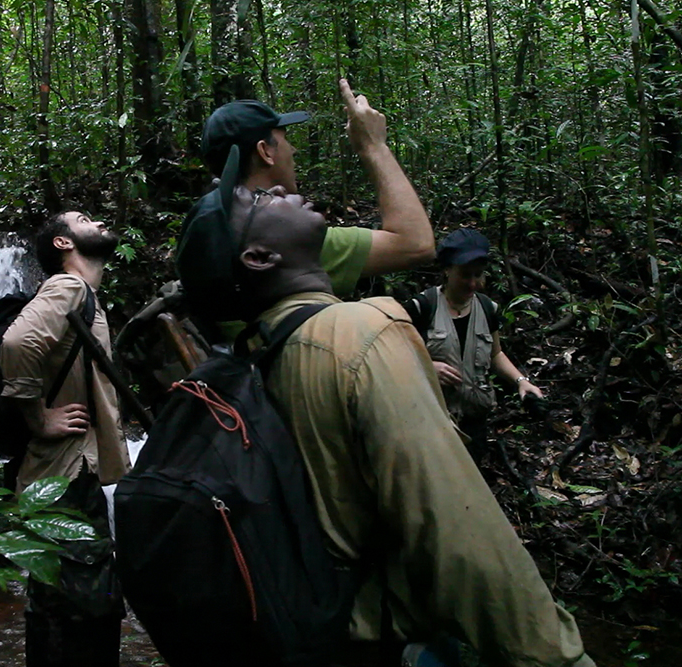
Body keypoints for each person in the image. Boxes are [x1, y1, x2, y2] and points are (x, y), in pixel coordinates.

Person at [175, 87, 594, 667]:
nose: (278, 195)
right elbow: (460, 537)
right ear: (261, 258)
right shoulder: (359, 335)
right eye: (260, 202)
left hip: (312, 618)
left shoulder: (250, 341)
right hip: (375, 629)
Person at [0, 210, 130, 667]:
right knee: (88, 606)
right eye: (84, 219)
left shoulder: (83, 294)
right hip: (67, 476)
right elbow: (17, 346)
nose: (97, 221)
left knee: (59, 600)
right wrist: (39, 418)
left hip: (67, 474)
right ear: (62, 243)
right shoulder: (68, 288)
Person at [194, 78, 434, 303]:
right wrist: (374, 146)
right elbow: (416, 244)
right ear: (265, 151)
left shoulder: (210, 234)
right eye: (286, 140)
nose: (294, 150)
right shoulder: (289, 242)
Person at [403, 228, 544, 464]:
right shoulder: (422, 307)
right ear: (447, 270)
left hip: (473, 420)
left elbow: (495, 353)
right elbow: (391, 355)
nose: (473, 284)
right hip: (429, 419)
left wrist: (522, 382)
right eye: (465, 275)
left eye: (478, 275)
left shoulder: (487, 309)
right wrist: (427, 367)